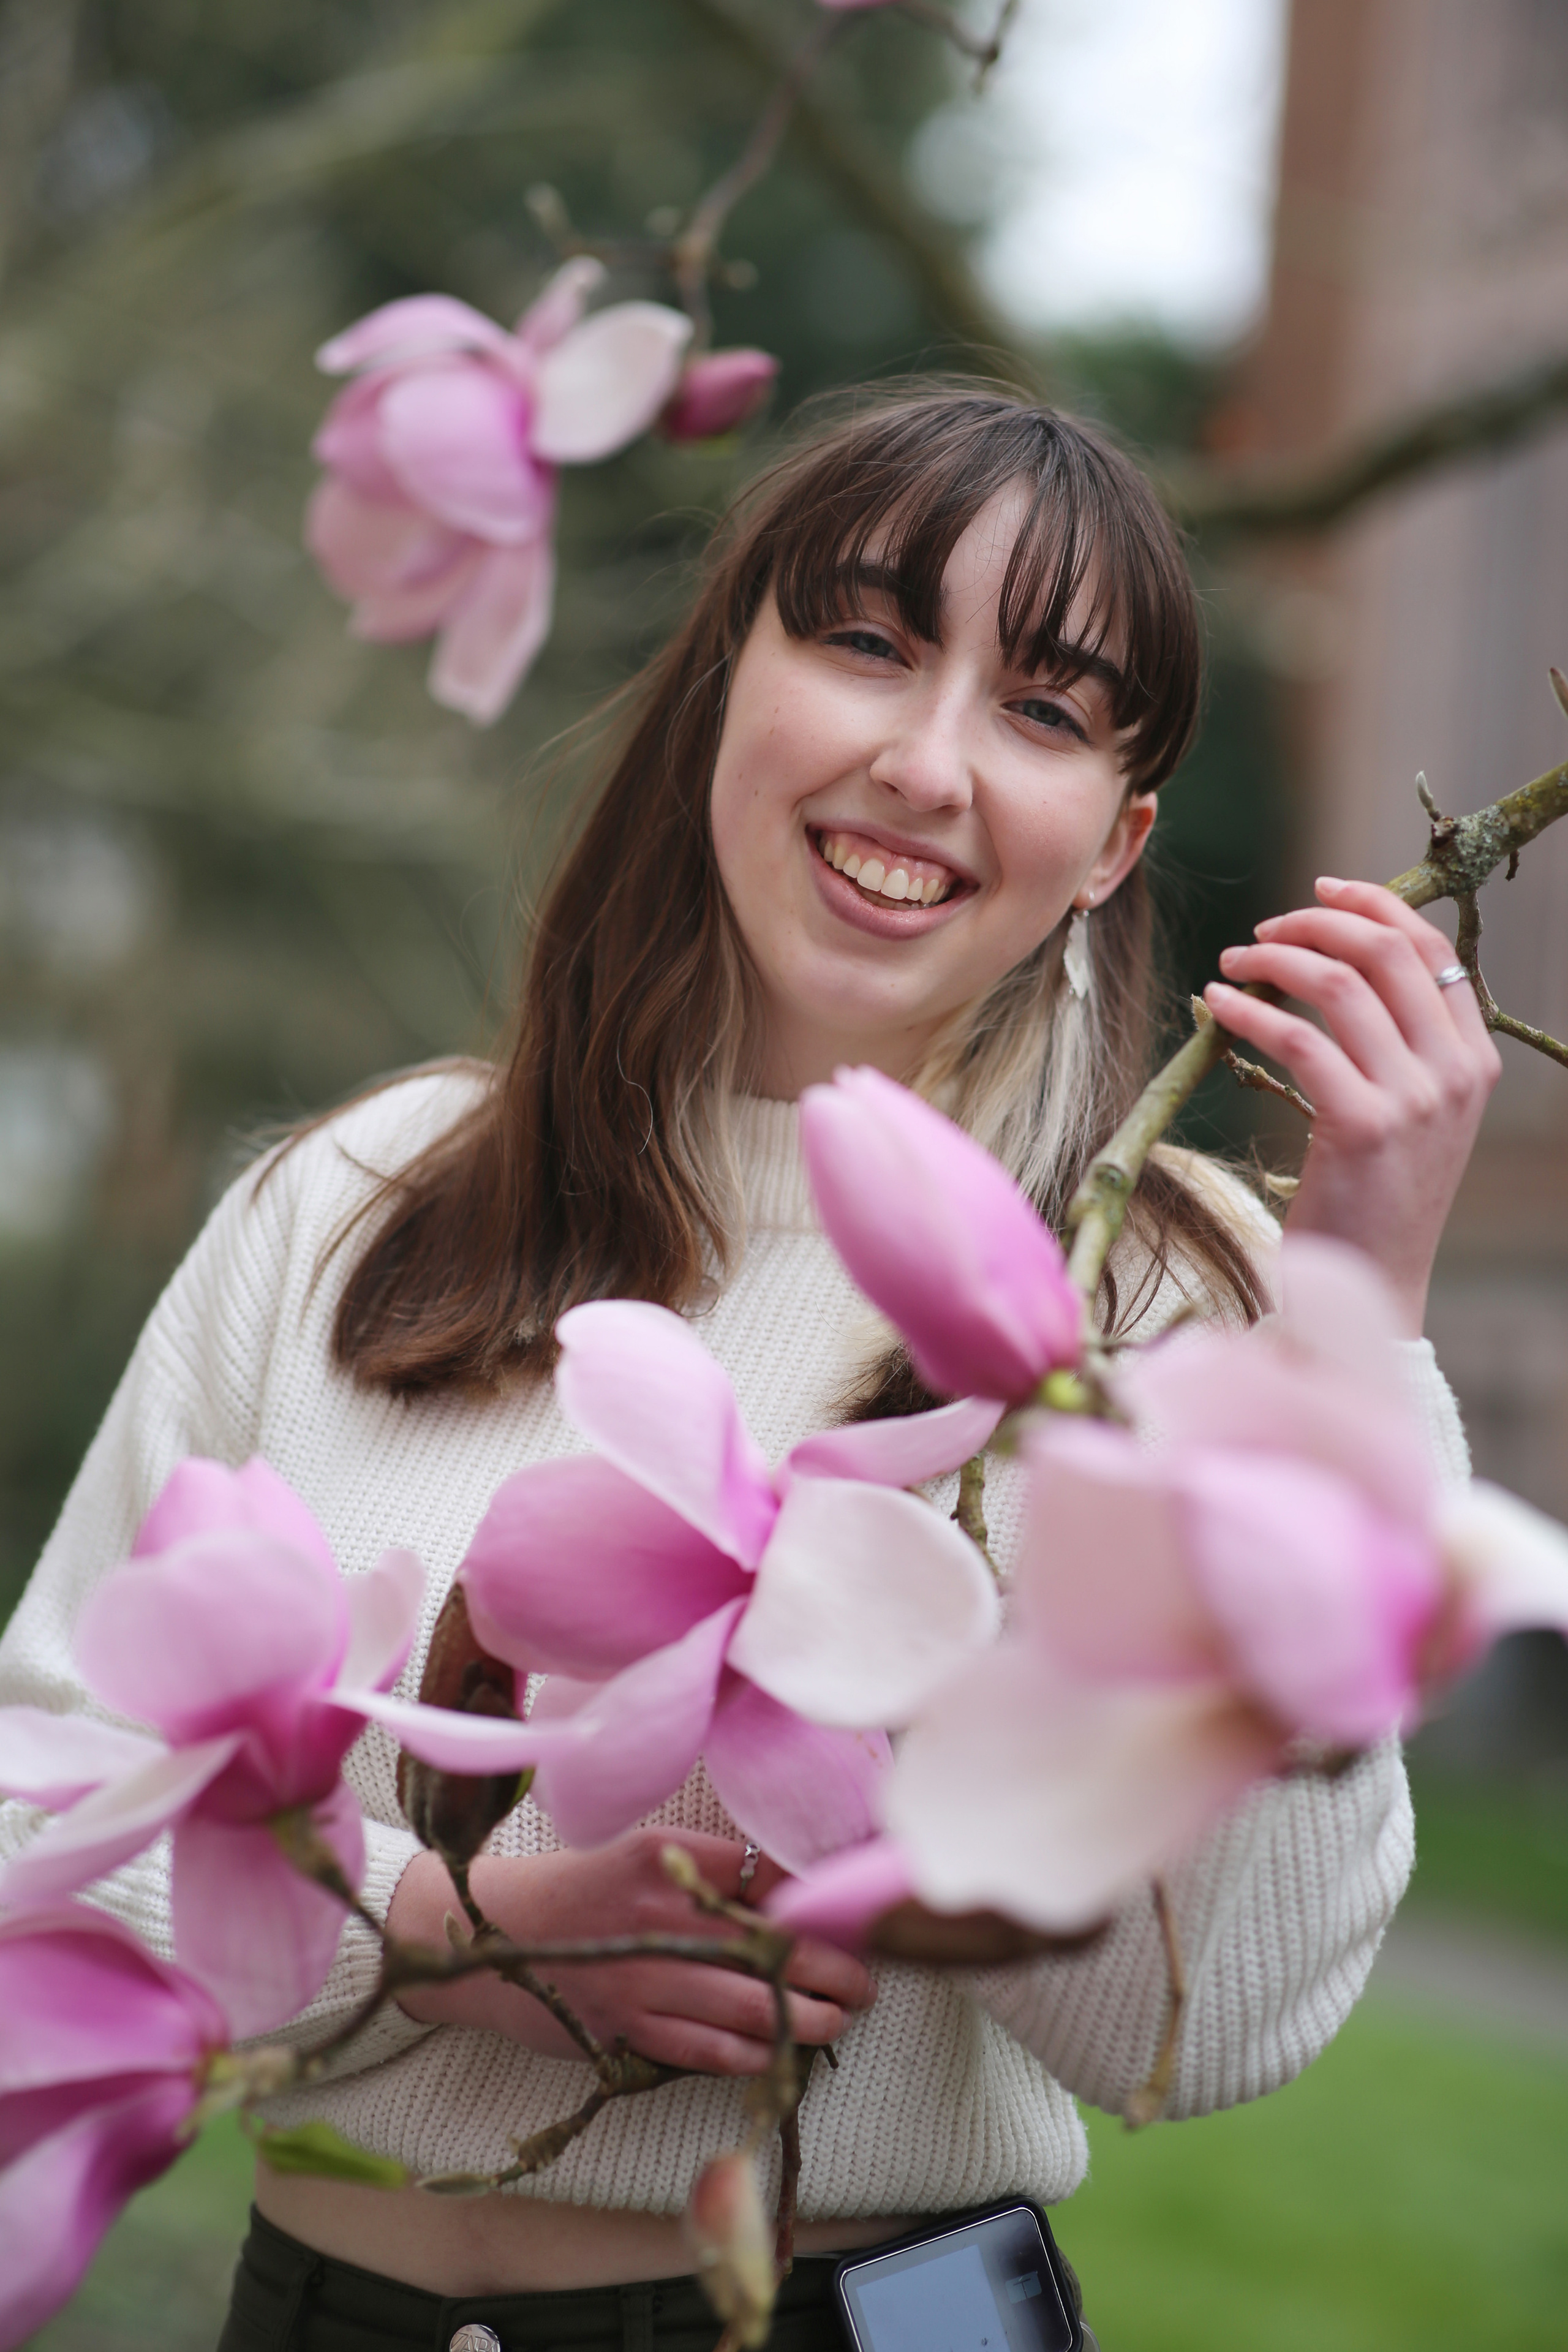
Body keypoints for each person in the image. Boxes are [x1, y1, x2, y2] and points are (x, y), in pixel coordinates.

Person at [0, 391, 1499, 2351]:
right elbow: (44, 1805)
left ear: (1120, 845)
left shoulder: (1169, 1303)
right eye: (865, 641)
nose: (926, 761)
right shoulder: (348, 1210)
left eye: (1042, 712)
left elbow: (1212, 2021)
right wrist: (440, 1934)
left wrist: (1353, 1314)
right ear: (726, 680)